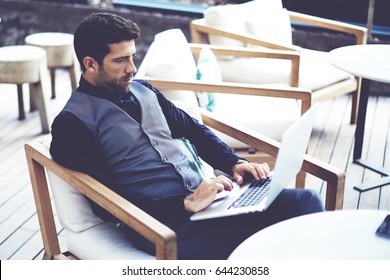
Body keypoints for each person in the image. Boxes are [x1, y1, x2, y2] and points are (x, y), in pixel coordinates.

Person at [50, 12, 324, 260]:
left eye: (132, 56)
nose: (132, 68)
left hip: (213, 203)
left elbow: (195, 130)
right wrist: (185, 204)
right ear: (90, 64)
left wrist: (234, 164)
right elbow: (107, 200)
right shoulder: (72, 123)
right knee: (267, 242)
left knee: (306, 200)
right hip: (163, 228)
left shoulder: (145, 90)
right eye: (120, 60)